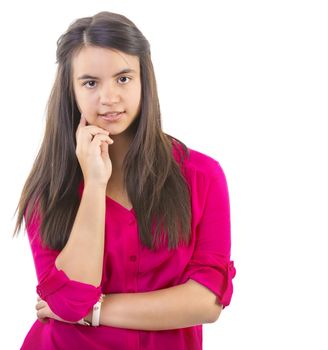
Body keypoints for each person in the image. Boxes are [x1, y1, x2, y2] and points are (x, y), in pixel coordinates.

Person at [12, 11, 236, 350]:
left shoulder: (201, 176)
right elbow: (71, 302)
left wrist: (96, 310)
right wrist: (95, 184)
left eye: (123, 78)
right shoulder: (49, 189)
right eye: (90, 82)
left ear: (144, 80)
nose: (109, 97)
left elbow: (206, 302)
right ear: (70, 92)